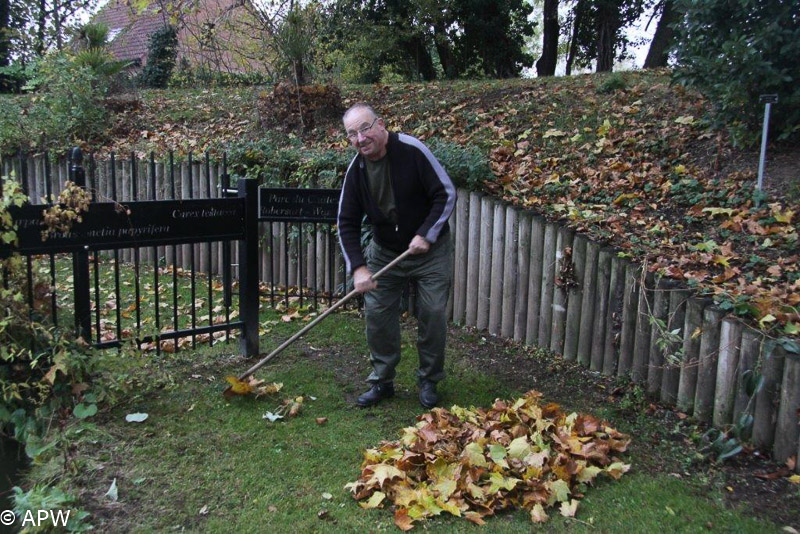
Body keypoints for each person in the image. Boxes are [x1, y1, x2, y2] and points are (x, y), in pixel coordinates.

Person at [337, 103, 456, 408]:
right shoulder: (357, 170)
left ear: (381, 125)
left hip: (431, 252)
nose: (361, 138)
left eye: (365, 128)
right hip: (385, 251)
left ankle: (429, 380)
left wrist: (426, 233)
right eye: (352, 134)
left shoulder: (412, 150)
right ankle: (382, 381)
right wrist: (359, 269)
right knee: (377, 315)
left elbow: (445, 193)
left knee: (431, 313)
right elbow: (346, 222)